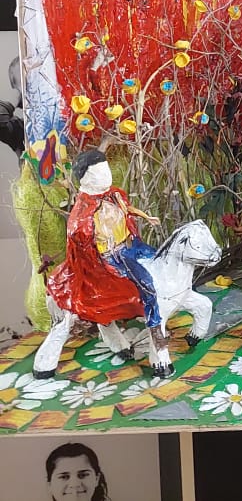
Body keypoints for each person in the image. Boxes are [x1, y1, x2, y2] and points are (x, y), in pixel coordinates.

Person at [45, 148, 165, 359]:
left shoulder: (115, 195)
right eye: (99, 173)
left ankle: (146, 321)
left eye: (106, 170)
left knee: (161, 265)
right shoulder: (83, 212)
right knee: (146, 283)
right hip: (109, 259)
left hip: (130, 247)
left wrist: (146, 217)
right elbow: (78, 239)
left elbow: (128, 210)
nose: (106, 176)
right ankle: (155, 327)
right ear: (85, 178)